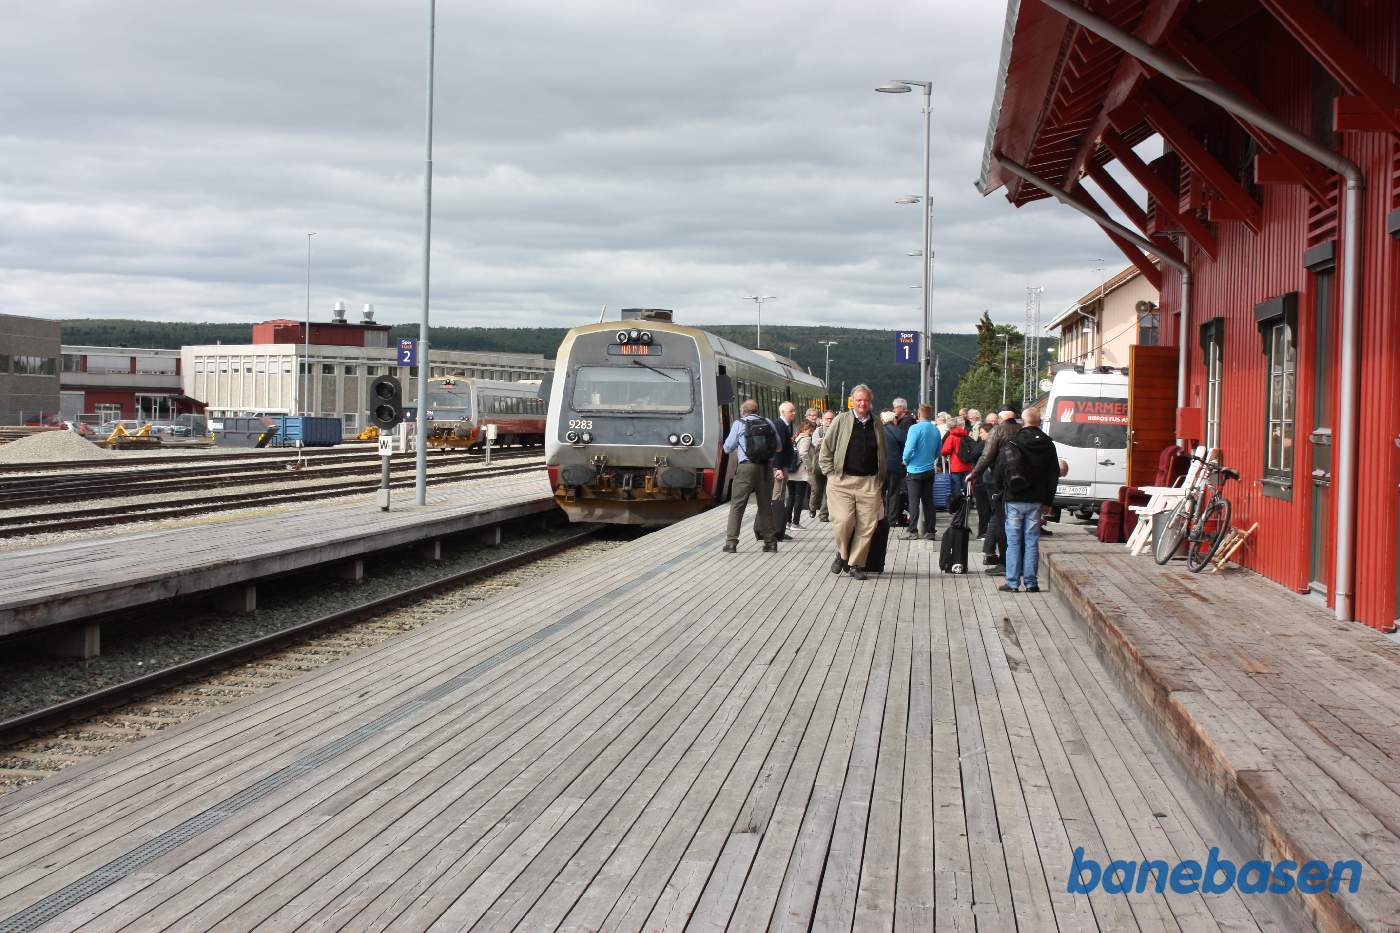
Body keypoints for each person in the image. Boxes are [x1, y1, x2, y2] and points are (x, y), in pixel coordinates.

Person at [818, 384, 886, 580]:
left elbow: (882, 452)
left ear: (870, 401)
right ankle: (842, 553)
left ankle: (856, 564)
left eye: (865, 400)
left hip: (869, 482)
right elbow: (826, 450)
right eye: (859, 400)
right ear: (852, 401)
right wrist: (830, 473)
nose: (862, 403)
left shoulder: (876, 423)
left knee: (867, 526)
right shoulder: (841, 420)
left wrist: (882, 478)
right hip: (842, 481)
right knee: (843, 521)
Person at [998, 407, 1060, 592]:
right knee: (1032, 540)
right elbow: (1053, 474)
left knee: (1014, 541)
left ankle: (1012, 582)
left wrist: (1000, 491)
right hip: (1036, 499)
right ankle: (1031, 583)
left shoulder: (1013, 441)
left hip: (1014, 498)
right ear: (1039, 422)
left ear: (1022, 422)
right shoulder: (1048, 444)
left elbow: (1001, 469)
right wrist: (1049, 501)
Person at [722, 399, 779, 553]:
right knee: (765, 505)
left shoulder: (739, 423)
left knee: (737, 506)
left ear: (743, 411)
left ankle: (731, 543)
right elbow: (778, 446)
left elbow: (727, 448)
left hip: (746, 467)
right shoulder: (767, 422)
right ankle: (770, 542)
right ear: (756, 410)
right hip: (766, 468)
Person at [968, 406, 1020, 573]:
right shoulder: (1022, 430)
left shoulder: (997, 431)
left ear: (1000, 419)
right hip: (1020, 482)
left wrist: (974, 473)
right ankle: (1016, 560)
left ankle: (1003, 562)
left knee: (998, 519)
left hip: (998, 480)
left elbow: (987, 455)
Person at [901, 403, 940, 540]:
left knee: (914, 502)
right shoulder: (935, 430)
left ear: (919, 413)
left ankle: (912, 531)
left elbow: (909, 447)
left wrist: (905, 460)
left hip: (914, 470)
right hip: (929, 470)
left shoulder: (914, 428)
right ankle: (930, 531)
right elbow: (938, 451)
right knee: (929, 502)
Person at [768, 401, 798, 541]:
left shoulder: (783, 426)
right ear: (783, 412)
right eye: (791, 411)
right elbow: (778, 450)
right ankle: (775, 529)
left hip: (782, 466)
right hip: (779, 467)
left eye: (793, 411)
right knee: (778, 497)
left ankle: (778, 528)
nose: (794, 413)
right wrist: (778, 468)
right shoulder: (780, 426)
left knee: (780, 496)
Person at [883, 406, 909, 526]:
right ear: (893, 420)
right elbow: (905, 448)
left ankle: (880, 517)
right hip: (895, 467)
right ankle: (892, 520)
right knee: (894, 493)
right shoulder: (899, 431)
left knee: (880, 494)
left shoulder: (878, 431)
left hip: (880, 467)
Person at [787, 420, 815, 527]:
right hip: (801, 473)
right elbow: (803, 453)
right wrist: (809, 466)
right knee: (799, 498)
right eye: (810, 430)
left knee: (791, 497)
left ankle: (788, 522)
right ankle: (796, 523)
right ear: (805, 429)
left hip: (791, 472)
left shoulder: (796, 438)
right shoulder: (806, 439)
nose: (811, 432)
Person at [940, 411, 974, 496]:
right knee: (966, 485)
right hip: (967, 464)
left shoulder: (952, 437)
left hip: (956, 465)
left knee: (956, 487)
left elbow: (945, 451)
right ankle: (967, 503)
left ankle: (958, 504)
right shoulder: (965, 435)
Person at [809, 408, 835, 521]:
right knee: (816, 489)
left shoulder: (837, 430)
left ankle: (823, 514)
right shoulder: (818, 431)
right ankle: (812, 508)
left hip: (831, 465)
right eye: (827, 418)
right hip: (818, 466)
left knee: (828, 491)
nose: (829, 421)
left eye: (831, 418)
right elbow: (815, 443)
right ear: (823, 419)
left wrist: (823, 441)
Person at [970, 422, 993, 537]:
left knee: (983, 507)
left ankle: (983, 532)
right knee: (987, 507)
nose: (980, 435)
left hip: (981, 479)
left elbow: (973, 455)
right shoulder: (994, 444)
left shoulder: (985, 444)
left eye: (982, 432)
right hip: (987, 479)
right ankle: (985, 531)